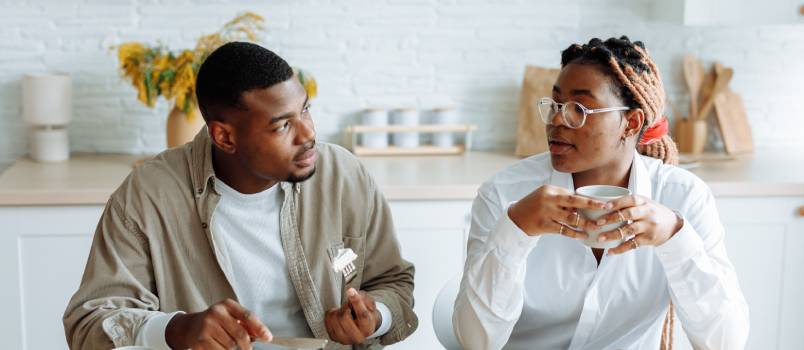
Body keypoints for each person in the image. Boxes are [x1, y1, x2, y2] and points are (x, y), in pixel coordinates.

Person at [63, 42, 417, 350]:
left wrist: (375, 318)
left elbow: (393, 282)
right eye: (283, 125)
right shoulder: (148, 195)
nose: (308, 134)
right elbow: (89, 323)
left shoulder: (344, 175)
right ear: (225, 137)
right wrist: (178, 329)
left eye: (305, 110)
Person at [453, 36, 749, 349]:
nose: (557, 120)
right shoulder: (504, 194)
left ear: (630, 123)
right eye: (556, 104)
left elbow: (726, 342)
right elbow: (475, 341)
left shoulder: (683, 197)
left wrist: (675, 238)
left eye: (579, 108)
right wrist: (515, 230)